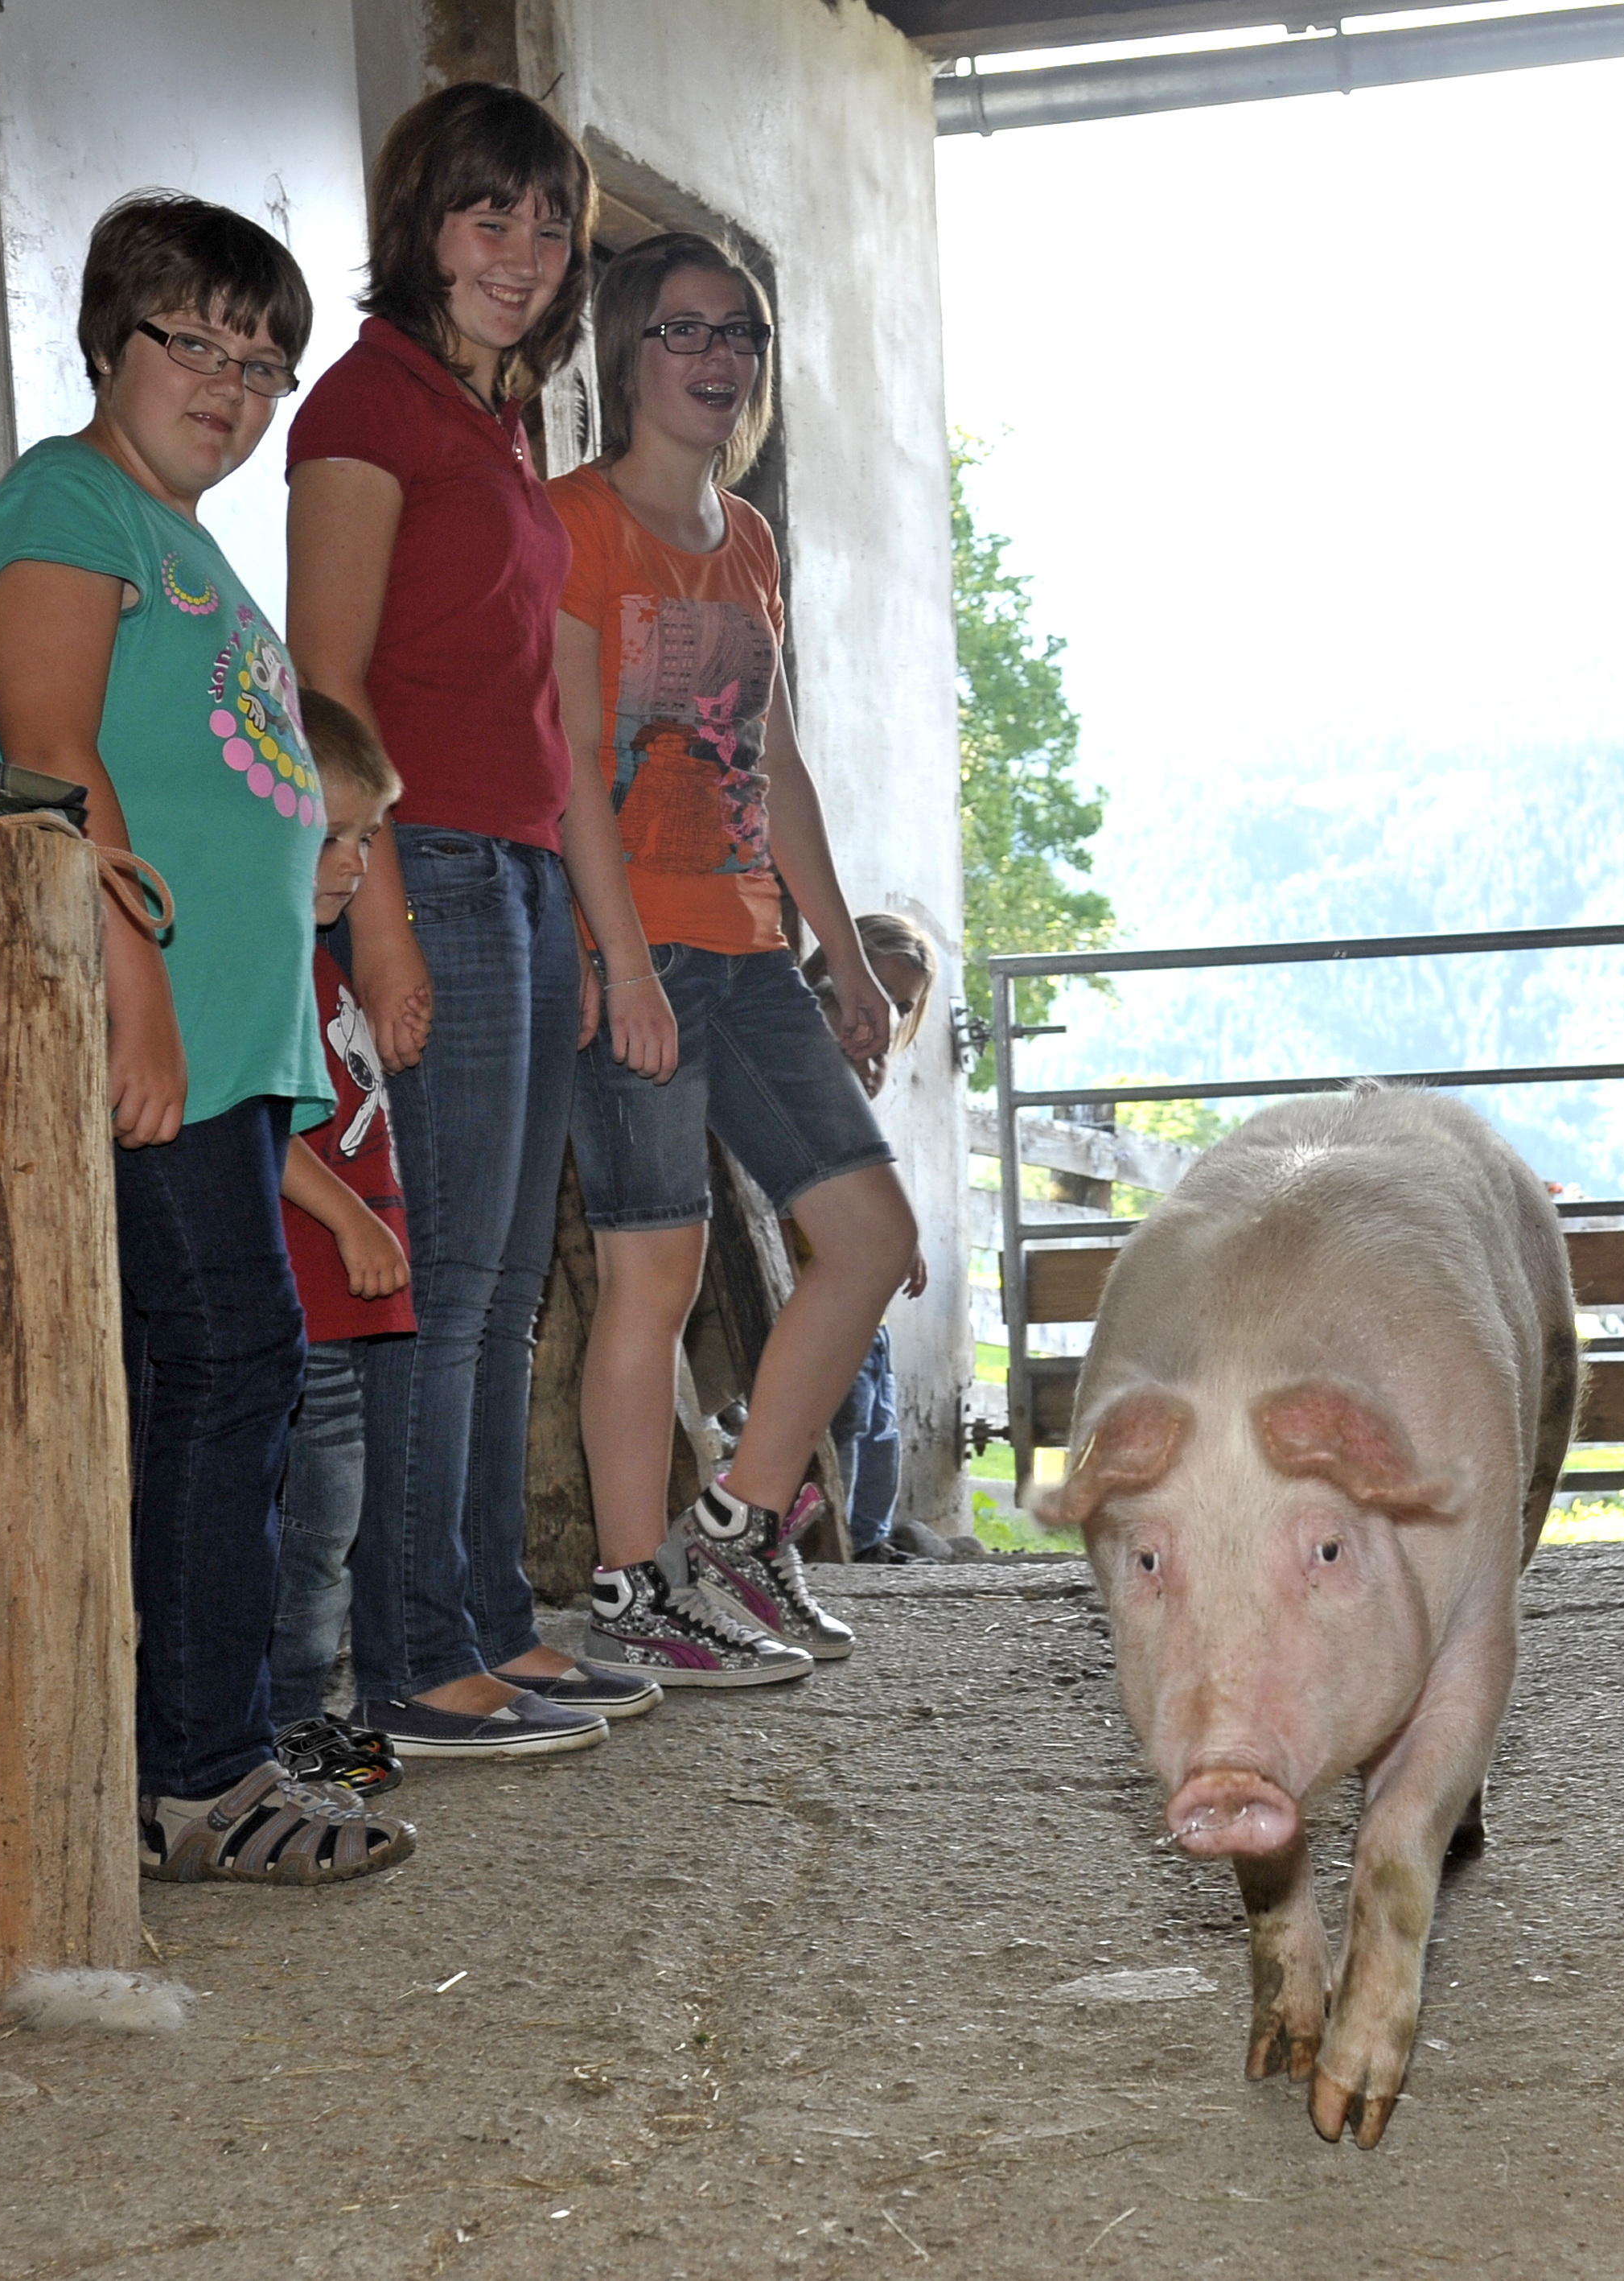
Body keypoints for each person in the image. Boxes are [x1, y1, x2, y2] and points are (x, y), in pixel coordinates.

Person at [0, 191, 409, 1883]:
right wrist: (133, 998)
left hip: (228, 1048)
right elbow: (56, 763)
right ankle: (197, 1772)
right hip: (155, 1039)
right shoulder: (62, 509)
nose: (230, 384)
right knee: (223, 1374)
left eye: (264, 362)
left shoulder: (192, 545)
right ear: (105, 341)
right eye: (195, 343)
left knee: (228, 1384)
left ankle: (201, 1749)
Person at [284, 84, 654, 1757]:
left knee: (503, 1286)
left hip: (506, 865)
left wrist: (573, 918)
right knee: (439, 1283)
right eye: (486, 215)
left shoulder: (492, 421)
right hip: (418, 859)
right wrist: (375, 923)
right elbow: (325, 684)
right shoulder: (366, 405)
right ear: (422, 225)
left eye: (546, 223)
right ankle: (412, 1656)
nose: (521, 252)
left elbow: (531, 709)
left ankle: (490, 1619)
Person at [548, 230, 921, 1682]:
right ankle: (633, 1593)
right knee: (652, 1276)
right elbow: (573, 762)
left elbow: (772, 756)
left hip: (751, 949)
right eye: (685, 333)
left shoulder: (748, 539)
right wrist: (623, 963)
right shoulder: (573, 523)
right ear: (626, 356)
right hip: (630, 949)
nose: (716, 361)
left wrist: (847, 956)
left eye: (740, 337)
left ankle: (739, 1528)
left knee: (872, 1239)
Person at [261, 705, 437, 1797]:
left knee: (333, 1516)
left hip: (342, 1294)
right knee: (309, 1522)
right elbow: (259, 1120)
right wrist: (350, 1218)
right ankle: (288, 1716)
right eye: (332, 836)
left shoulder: (316, 956)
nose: (355, 862)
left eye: (368, 839)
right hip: (303, 1288)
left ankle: (307, 1709)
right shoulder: (261, 956)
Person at [810, 916, 939, 1559]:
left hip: (866, 1299)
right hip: (822, 1286)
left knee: (880, 1421)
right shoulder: (803, 1074)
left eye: (900, 1008)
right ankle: (839, 1543)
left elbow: (866, 1168)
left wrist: (898, 1240)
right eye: (863, 997)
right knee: (848, 1413)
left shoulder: (860, 1073)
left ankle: (871, 1538)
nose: (873, 1023)